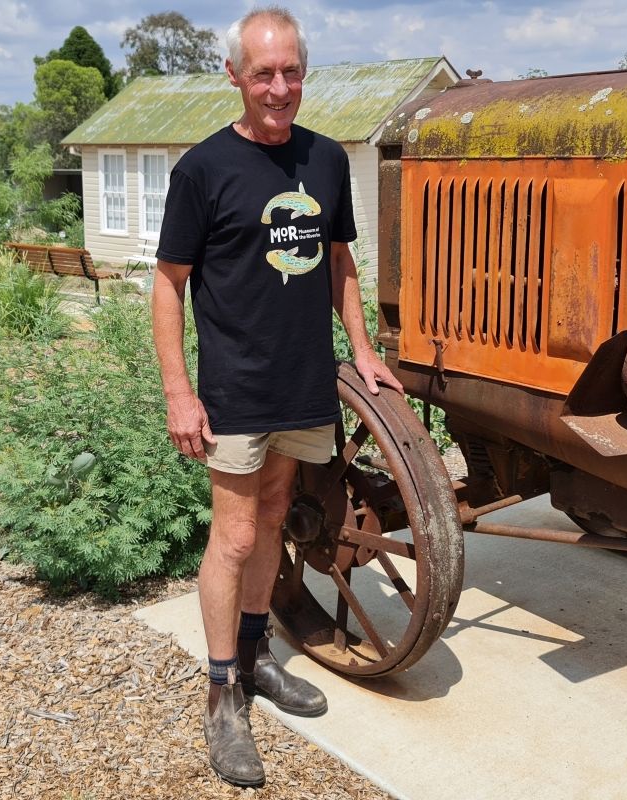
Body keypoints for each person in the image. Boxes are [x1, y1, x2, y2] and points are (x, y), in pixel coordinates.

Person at [150, 5, 403, 788]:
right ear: (235, 75)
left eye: (291, 70)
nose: (280, 86)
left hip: (303, 385)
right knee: (231, 538)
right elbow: (167, 286)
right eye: (263, 72)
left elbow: (340, 264)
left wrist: (362, 349)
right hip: (232, 392)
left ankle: (257, 657)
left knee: (270, 522)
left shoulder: (325, 161)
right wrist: (178, 391)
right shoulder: (202, 169)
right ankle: (222, 696)